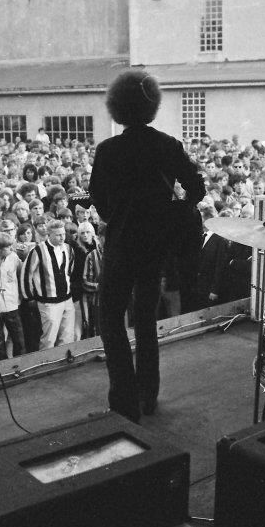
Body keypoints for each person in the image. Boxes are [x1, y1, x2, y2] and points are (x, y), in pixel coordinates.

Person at [89, 70, 205, 422]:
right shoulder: (167, 145)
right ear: (151, 104)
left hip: (121, 245)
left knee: (111, 319)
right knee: (145, 319)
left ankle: (124, 401)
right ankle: (147, 395)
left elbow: (100, 201)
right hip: (155, 246)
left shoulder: (108, 150)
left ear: (117, 106)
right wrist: (172, 212)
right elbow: (197, 189)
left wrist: (118, 213)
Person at [20, 219, 75, 350]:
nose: (62, 237)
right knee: (49, 339)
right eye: (58, 235)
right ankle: (46, 361)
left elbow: (69, 271)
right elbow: (26, 274)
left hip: (67, 300)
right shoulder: (37, 251)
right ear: (49, 234)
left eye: (63, 234)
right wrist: (29, 297)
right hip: (48, 303)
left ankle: (65, 360)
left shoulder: (68, 248)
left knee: (67, 337)